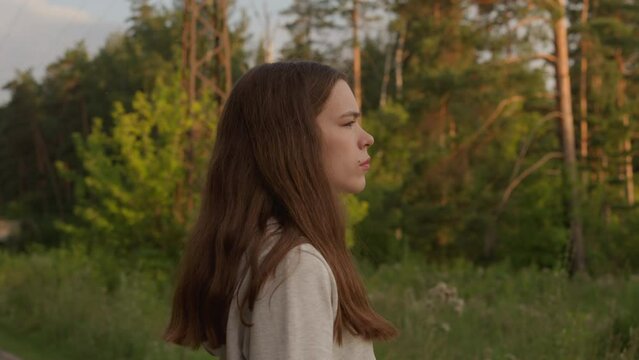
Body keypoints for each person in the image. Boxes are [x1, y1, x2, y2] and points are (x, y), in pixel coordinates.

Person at [164, 61, 398, 360]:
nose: (367, 138)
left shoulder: (269, 251)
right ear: (295, 140)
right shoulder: (294, 266)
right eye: (347, 123)